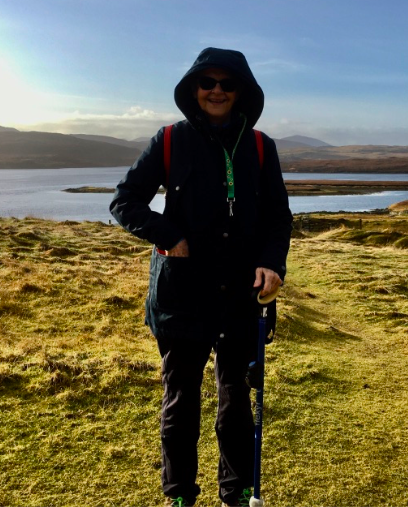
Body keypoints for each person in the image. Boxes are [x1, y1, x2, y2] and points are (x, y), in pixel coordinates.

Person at [110, 47, 292, 507]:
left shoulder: (261, 147)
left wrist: (272, 263)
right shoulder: (170, 140)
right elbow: (125, 201)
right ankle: (179, 497)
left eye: (227, 84)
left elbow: (278, 219)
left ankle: (237, 493)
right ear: (194, 89)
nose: (216, 91)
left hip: (242, 296)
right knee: (180, 399)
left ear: (241, 92)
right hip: (181, 294)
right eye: (207, 82)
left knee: (236, 400)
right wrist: (169, 235)